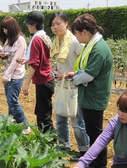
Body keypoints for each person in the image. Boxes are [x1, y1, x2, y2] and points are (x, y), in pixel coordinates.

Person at [65, 13, 113, 167]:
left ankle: (99, 164)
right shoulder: (93, 45)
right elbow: (87, 71)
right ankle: (96, 163)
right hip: (90, 97)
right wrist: (77, 73)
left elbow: (89, 76)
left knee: (96, 135)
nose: (77, 38)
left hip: (94, 98)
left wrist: (74, 79)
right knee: (94, 133)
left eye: (77, 35)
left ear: (84, 32)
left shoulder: (98, 49)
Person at [49, 11, 90, 160]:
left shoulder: (73, 42)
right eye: (53, 24)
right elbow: (61, 62)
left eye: (58, 23)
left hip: (74, 86)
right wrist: (56, 70)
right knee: (60, 116)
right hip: (60, 85)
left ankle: (84, 150)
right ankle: (64, 145)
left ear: (66, 23)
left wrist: (66, 72)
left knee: (76, 120)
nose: (55, 27)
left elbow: (84, 66)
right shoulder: (56, 42)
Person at [74, 90, 127, 168]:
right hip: (121, 164)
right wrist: (82, 163)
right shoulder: (116, 122)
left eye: (125, 111)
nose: (120, 114)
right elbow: (100, 141)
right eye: (120, 109)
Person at [22, 11, 55, 133]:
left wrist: (26, 83)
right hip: (48, 78)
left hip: (42, 80)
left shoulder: (36, 39)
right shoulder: (44, 36)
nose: (27, 26)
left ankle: (48, 143)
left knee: (43, 115)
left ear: (34, 24)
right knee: (44, 111)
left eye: (28, 24)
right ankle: (48, 140)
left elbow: (35, 64)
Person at [0, 16, 30, 134]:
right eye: (3, 29)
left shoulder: (20, 40)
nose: (4, 31)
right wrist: (3, 55)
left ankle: (24, 125)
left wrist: (6, 76)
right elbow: (8, 57)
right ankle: (11, 124)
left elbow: (16, 61)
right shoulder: (8, 40)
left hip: (16, 75)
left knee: (12, 101)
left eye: (6, 28)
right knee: (9, 101)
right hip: (8, 73)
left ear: (12, 27)